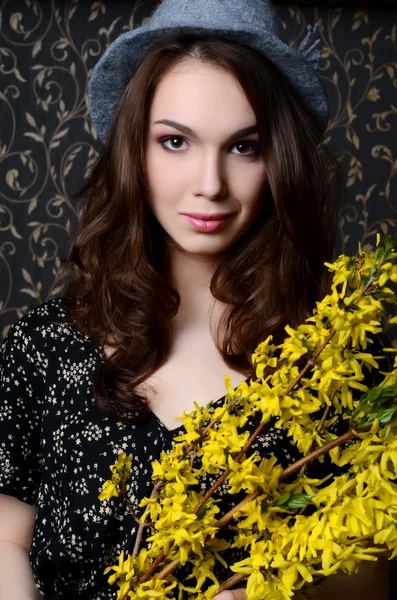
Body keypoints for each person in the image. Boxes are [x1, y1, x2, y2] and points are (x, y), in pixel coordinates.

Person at [0, 0, 391, 598]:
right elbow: (7, 541)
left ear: (278, 161)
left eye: (244, 147)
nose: (210, 184)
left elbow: (363, 584)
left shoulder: (336, 365)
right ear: (135, 148)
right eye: (176, 142)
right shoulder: (42, 349)